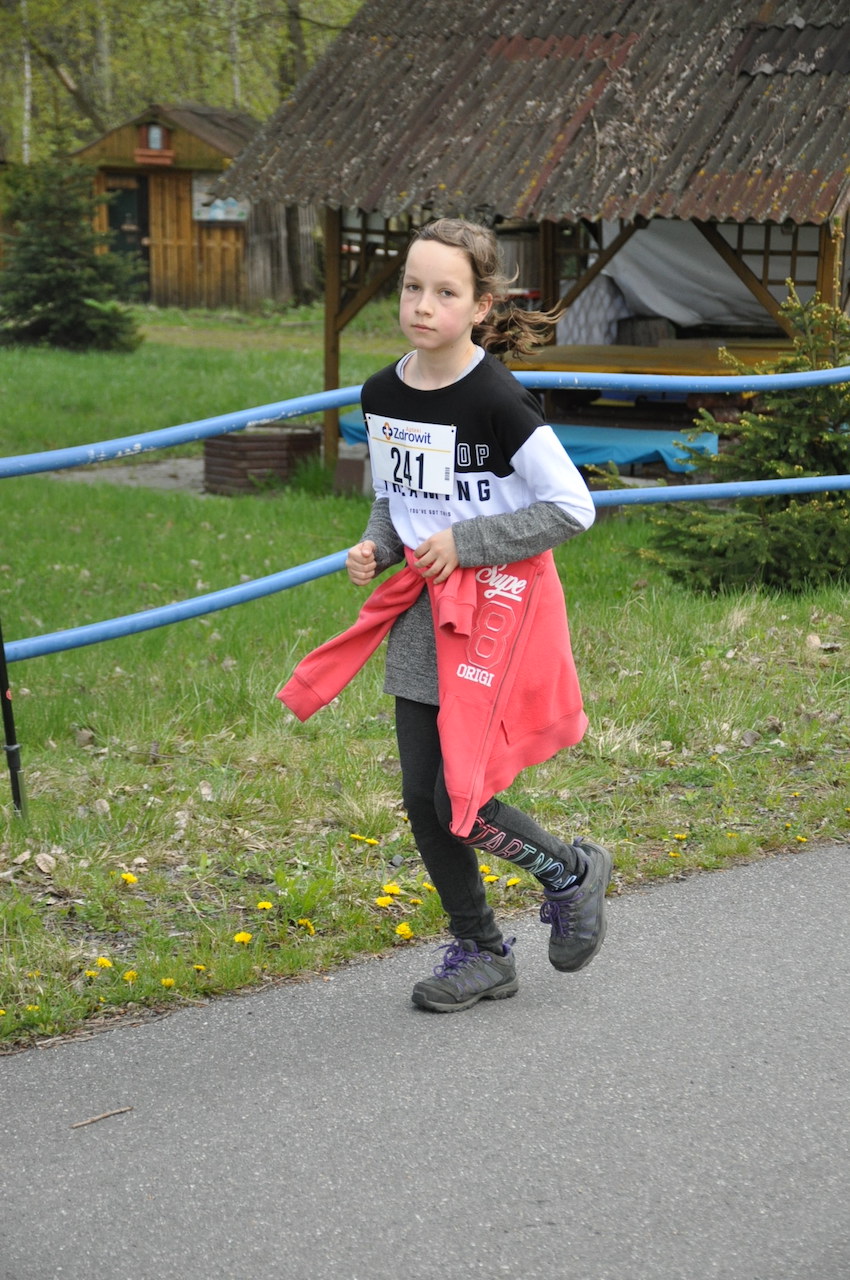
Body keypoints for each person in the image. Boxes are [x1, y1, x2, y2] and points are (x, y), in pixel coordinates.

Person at [284, 217, 612, 1012]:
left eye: (445, 292)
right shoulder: (382, 392)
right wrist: (376, 548)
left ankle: (571, 873)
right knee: (422, 797)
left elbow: (573, 507)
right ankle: (483, 951)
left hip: (496, 613)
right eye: (412, 287)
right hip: (421, 618)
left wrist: (466, 543)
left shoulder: (497, 399)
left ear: (480, 306)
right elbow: (397, 499)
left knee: (458, 795)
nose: (423, 305)